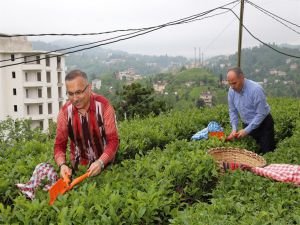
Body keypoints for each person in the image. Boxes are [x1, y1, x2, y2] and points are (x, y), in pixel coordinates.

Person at [54, 69, 119, 179]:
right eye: (70, 94)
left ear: (89, 88)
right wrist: (62, 165)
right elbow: (59, 145)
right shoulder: (64, 113)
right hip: (79, 168)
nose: (75, 98)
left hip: (106, 165)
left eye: (79, 92)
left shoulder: (104, 106)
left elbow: (113, 141)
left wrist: (100, 162)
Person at [226, 67, 275, 154]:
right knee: (251, 154)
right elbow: (233, 111)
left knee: (267, 153)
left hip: (263, 125)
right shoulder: (231, 91)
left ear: (242, 77)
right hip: (247, 125)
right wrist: (234, 129)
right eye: (230, 84)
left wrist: (246, 130)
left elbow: (261, 113)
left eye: (234, 83)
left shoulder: (256, 89)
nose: (232, 87)